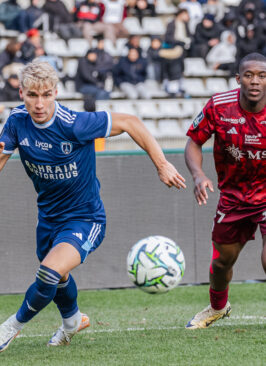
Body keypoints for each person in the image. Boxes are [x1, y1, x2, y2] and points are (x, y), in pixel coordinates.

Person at [0, 60, 186, 352]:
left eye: (46, 94)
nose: (39, 103)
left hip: (86, 218)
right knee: (57, 276)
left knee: (48, 272)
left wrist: (162, 165)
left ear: (56, 92)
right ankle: (73, 320)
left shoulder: (74, 123)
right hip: (48, 217)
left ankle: (10, 328)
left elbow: (130, 122)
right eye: (32, 95)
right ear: (21, 92)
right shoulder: (15, 122)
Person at [184, 52, 266, 329]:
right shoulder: (219, 106)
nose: (255, 81)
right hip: (233, 196)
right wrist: (198, 175)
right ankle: (218, 307)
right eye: (249, 75)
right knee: (221, 263)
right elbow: (194, 142)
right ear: (238, 79)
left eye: (262, 76)